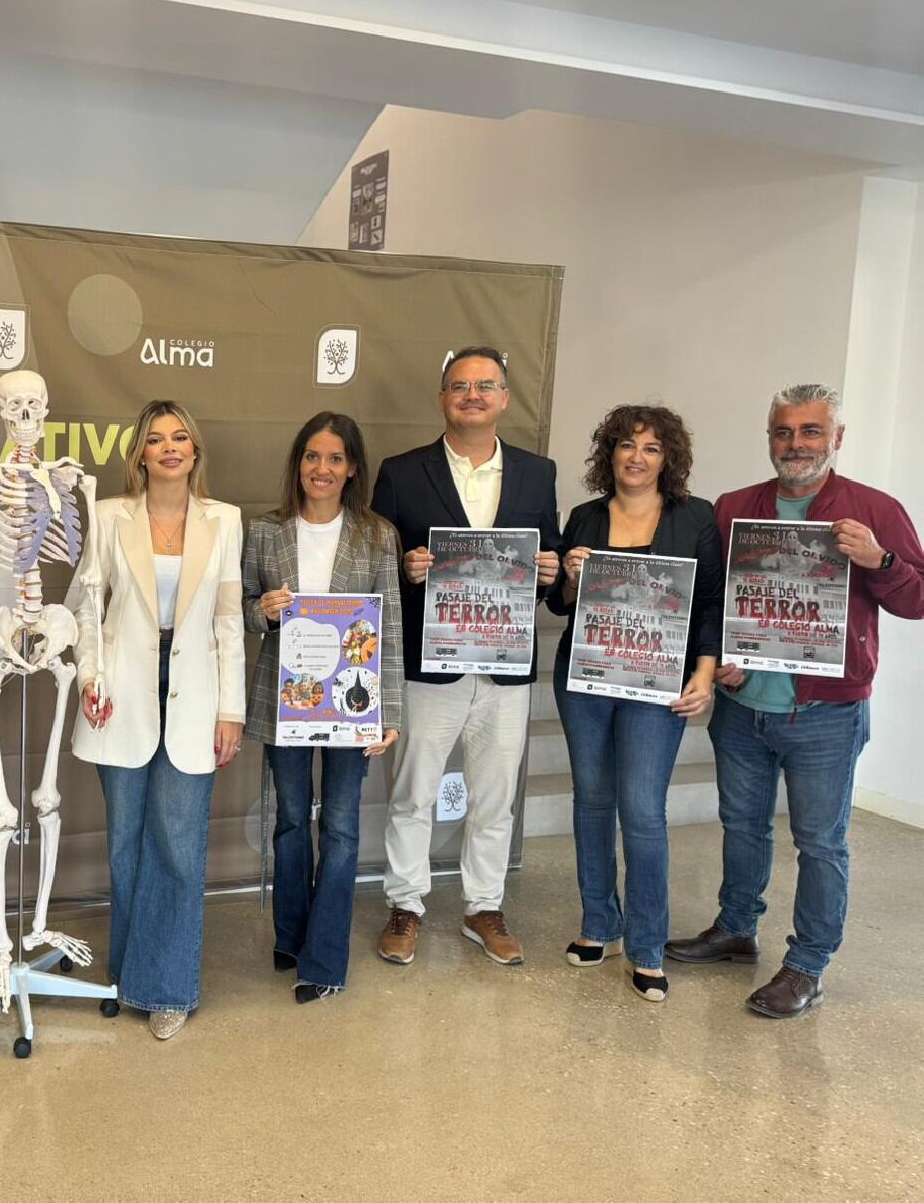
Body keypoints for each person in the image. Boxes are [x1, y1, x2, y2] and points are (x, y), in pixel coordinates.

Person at [667, 384, 924, 1017]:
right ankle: (735, 928)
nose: (796, 444)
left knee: (820, 842)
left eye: (811, 432)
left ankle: (807, 963)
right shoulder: (734, 508)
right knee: (743, 825)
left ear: (836, 439)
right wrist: (718, 655)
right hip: (742, 705)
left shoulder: (873, 508)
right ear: (770, 438)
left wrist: (880, 558)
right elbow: (712, 598)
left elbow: (917, 598)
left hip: (825, 713)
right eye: (784, 432)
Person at [371, 346, 561, 967]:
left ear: (505, 398)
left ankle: (484, 907)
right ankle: (406, 904)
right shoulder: (402, 472)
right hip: (432, 664)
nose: (472, 395)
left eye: (485, 385)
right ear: (443, 397)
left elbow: (548, 566)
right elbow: (378, 572)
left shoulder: (539, 473)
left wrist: (551, 571)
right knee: (413, 792)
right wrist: (405, 568)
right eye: (460, 386)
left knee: (494, 796)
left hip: (506, 665)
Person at [69, 400, 246, 1040]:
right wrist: (91, 675)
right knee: (124, 847)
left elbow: (229, 619)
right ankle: (129, 974)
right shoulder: (109, 516)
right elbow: (87, 607)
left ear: (194, 451)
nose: (169, 447)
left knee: (177, 843)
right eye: (155, 438)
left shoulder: (224, 521)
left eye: (180, 437)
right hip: (121, 694)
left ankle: (167, 987)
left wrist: (232, 710)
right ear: (139, 453)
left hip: (196, 693)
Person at [549, 405, 722, 1002]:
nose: (637, 457)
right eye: (627, 445)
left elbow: (708, 605)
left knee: (643, 812)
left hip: (658, 685)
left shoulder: (694, 517)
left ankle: (648, 945)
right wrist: (571, 575)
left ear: (667, 458)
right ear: (610, 453)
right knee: (591, 802)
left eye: (651, 448)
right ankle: (600, 923)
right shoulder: (585, 517)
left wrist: (703, 673)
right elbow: (562, 606)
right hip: (584, 678)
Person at [242, 412, 404, 1003]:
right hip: (286, 703)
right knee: (290, 822)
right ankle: (291, 935)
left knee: (339, 828)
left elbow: (388, 628)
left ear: (352, 467)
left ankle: (325, 959)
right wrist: (262, 609)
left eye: (335, 458)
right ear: (298, 463)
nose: (323, 468)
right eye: (313, 456)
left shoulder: (377, 535)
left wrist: (390, 713)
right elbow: (234, 609)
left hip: (351, 707)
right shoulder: (264, 532)